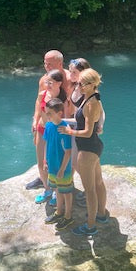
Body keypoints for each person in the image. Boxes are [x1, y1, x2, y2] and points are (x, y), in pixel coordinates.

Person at [58, 68, 107, 236]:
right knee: (98, 182)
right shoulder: (89, 98)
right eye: (78, 82)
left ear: (92, 85)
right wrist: (63, 120)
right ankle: (101, 214)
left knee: (90, 189)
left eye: (81, 83)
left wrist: (69, 132)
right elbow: (80, 122)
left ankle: (90, 226)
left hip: (87, 148)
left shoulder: (92, 103)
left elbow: (86, 131)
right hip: (93, 146)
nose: (78, 85)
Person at [26, 50, 70, 190]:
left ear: (60, 63)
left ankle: (63, 186)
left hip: (60, 127)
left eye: (50, 64)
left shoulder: (69, 79)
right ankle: (45, 183)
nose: (47, 66)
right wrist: (35, 119)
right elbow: (39, 102)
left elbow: (72, 104)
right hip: (43, 126)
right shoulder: (44, 79)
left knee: (59, 159)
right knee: (42, 158)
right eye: (45, 63)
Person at [34, 70, 67, 204]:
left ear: (59, 83)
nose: (47, 84)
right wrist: (35, 122)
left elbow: (66, 118)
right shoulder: (42, 94)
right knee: (41, 162)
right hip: (42, 130)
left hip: (55, 133)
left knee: (54, 163)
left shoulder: (63, 99)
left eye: (50, 82)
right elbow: (38, 108)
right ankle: (47, 189)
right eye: (46, 81)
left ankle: (56, 192)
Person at [42, 98, 74, 230]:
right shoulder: (49, 126)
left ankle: (68, 216)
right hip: (52, 166)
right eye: (46, 113)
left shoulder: (64, 129)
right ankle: (59, 212)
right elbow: (46, 144)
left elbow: (68, 152)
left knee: (66, 192)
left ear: (59, 113)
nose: (47, 115)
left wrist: (62, 169)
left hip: (62, 168)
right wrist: (45, 160)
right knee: (57, 189)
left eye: (50, 113)